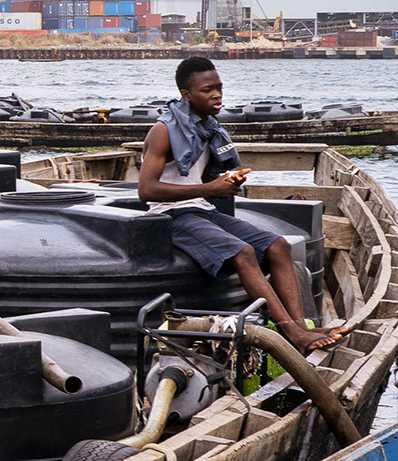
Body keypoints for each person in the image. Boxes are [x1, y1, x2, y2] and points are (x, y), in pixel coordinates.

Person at [138, 56, 347, 354]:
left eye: (219, 88)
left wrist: (226, 184)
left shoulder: (208, 127)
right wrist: (209, 188)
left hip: (203, 209)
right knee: (244, 252)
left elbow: (202, 180)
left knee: (278, 245)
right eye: (207, 90)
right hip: (172, 215)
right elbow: (146, 190)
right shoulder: (164, 130)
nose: (216, 95)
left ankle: (301, 329)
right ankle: (291, 333)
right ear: (187, 95)